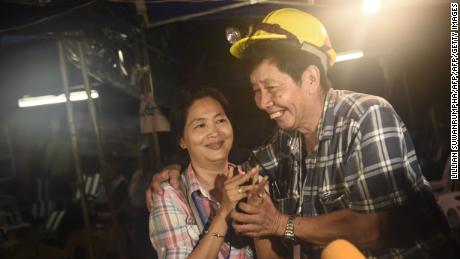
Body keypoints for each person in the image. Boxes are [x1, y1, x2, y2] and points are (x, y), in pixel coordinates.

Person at [147, 8, 458, 258]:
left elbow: (375, 228)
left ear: (310, 78)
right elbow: (232, 167)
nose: (262, 103)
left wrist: (281, 224)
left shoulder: (366, 117)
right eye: (256, 90)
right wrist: (172, 170)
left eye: (271, 88)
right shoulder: (286, 139)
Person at [148, 87, 277, 258]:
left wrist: (259, 222)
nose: (214, 132)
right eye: (200, 125)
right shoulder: (170, 195)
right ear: (182, 141)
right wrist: (224, 213)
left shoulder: (255, 182)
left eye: (220, 120)